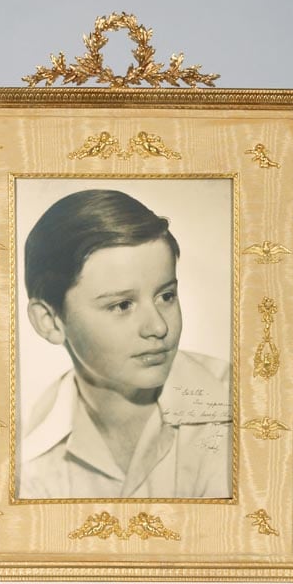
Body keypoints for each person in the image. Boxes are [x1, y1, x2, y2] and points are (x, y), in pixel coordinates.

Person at [18, 189, 232, 499]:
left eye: (166, 296)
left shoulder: (247, 409)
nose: (158, 326)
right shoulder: (22, 450)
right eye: (122, 305)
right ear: (49, 322)